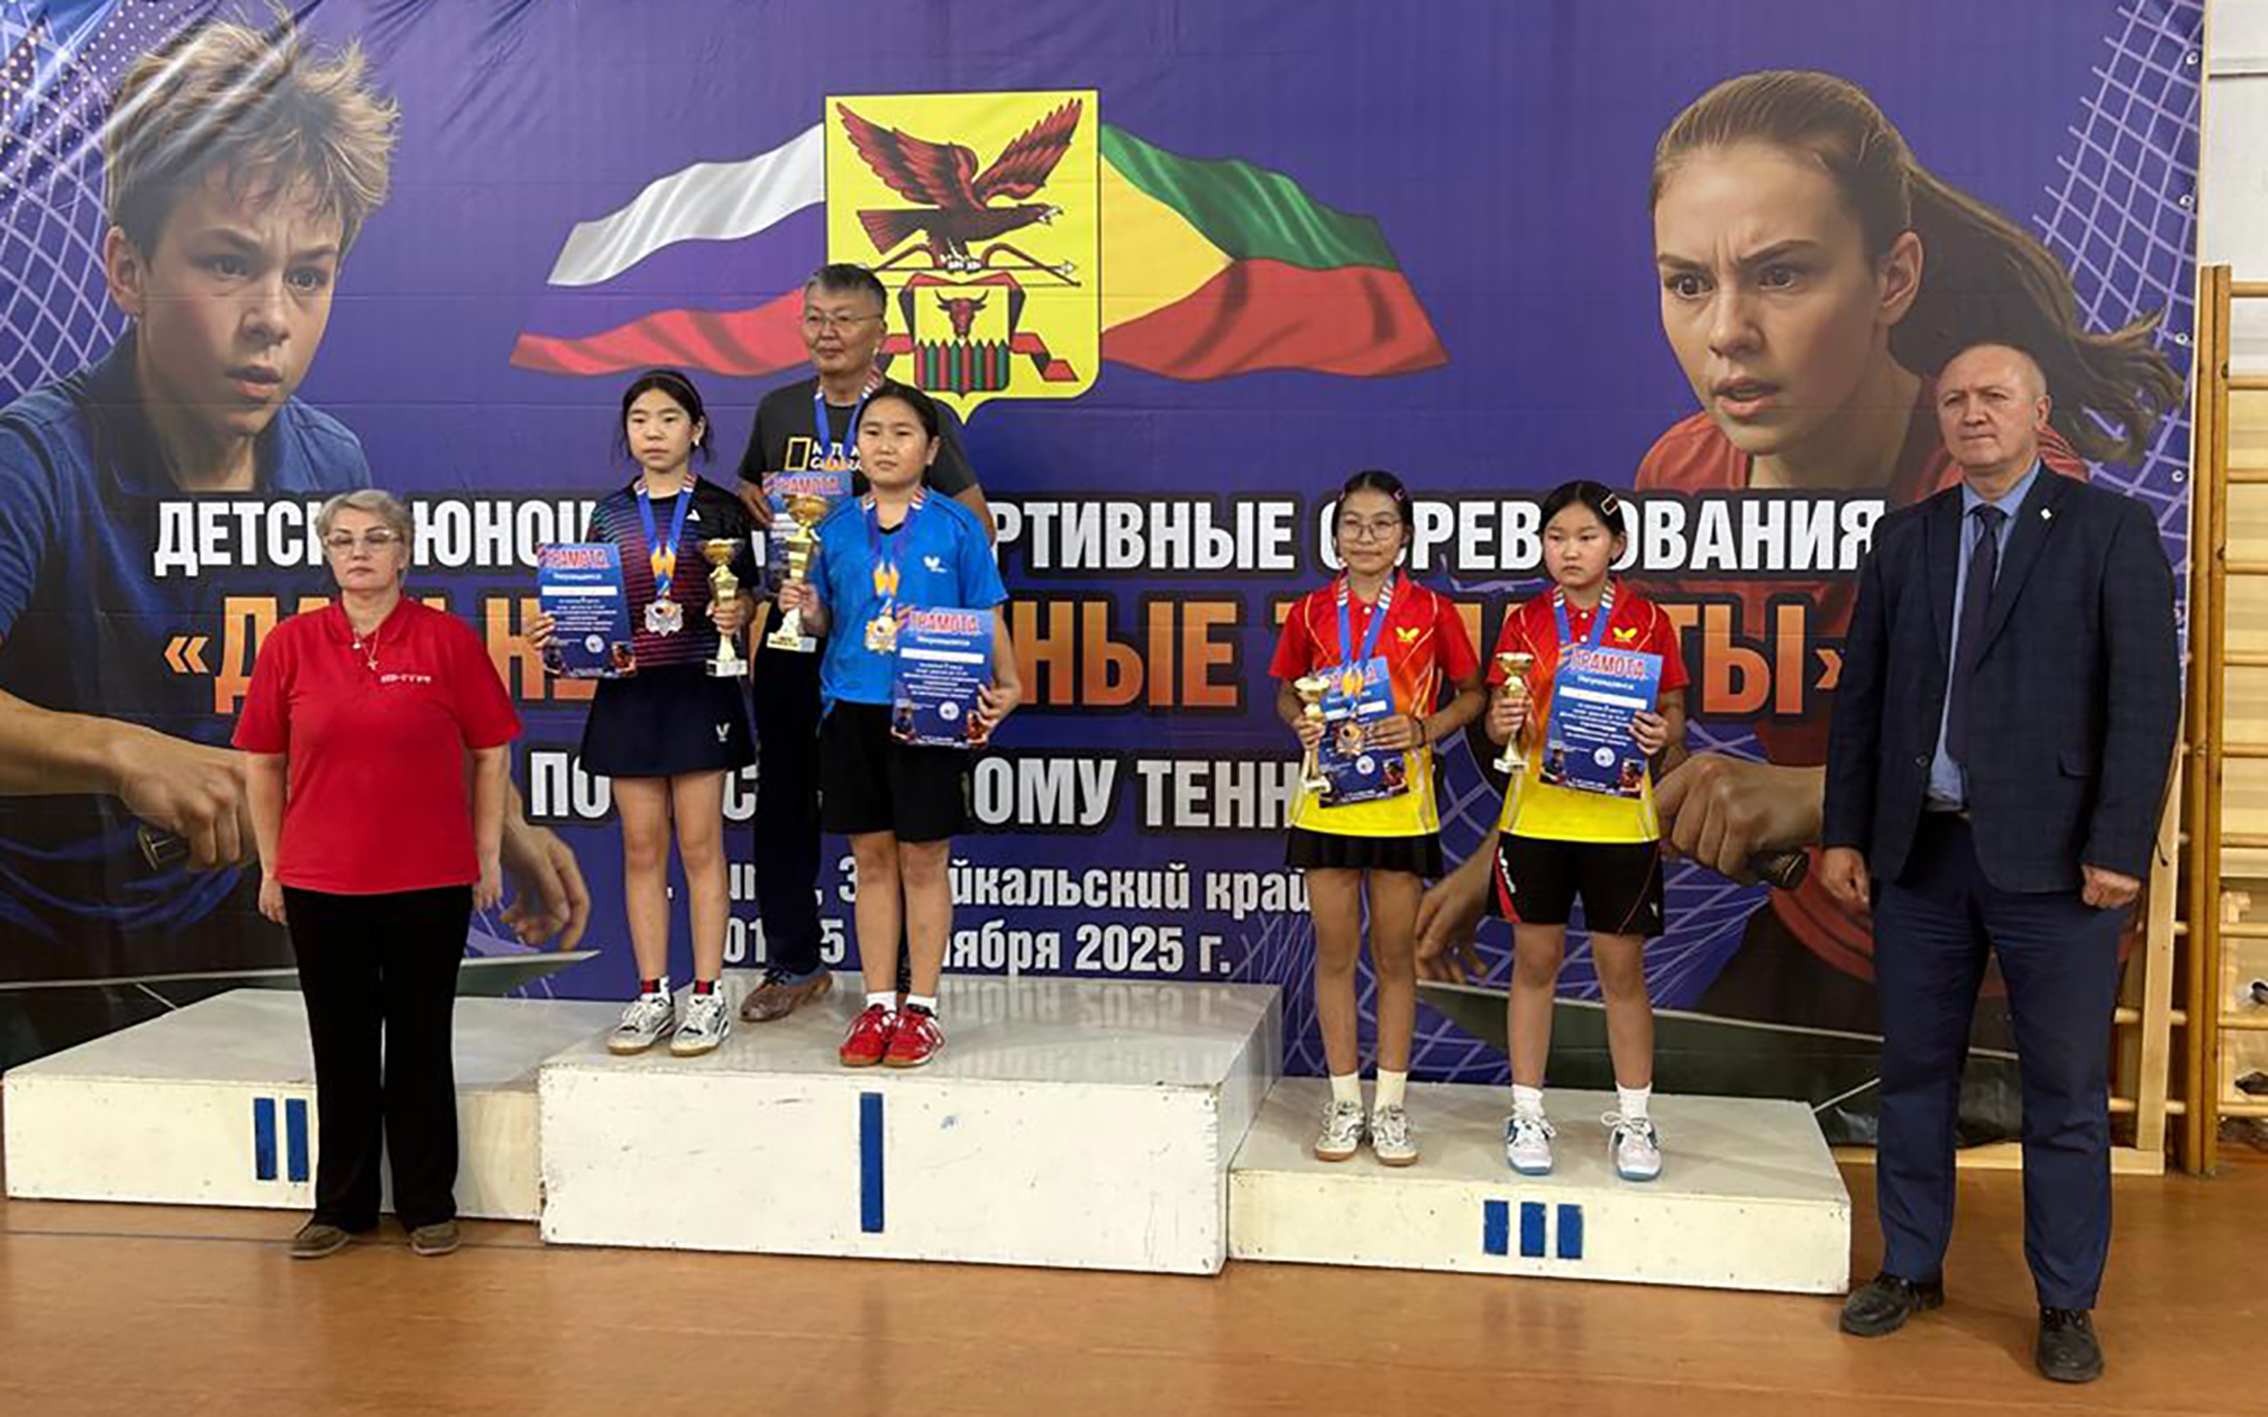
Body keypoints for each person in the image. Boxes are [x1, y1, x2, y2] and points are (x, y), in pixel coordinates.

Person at [1416, 70, 2179, 1057]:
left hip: (2000, 952)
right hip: (1824, 931)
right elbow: (1614, 704)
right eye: (1688, 284)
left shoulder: (1999, 475)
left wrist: (1815, 793)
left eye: (1779, 275)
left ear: (1892, 278)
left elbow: (2053, 732)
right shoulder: (1683, 472)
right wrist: (1507, 850)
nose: (1725, 332)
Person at [0, 19, 588, 1062]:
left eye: (308, 276)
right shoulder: (32, 462)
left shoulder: (329, 462)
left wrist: (483, 807)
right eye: (228, 264)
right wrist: (121, 752)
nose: (272, 317)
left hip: (250, 948)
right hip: (45, 973)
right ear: (127, 269)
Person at [1822, 343, 2178, 1383]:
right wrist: (1845, 831)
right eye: (1956, 399)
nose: (1974, 413)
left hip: (2063, 867)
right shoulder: (1906, 537)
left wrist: (2119, 845)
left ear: (2038, 409)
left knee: (2063, 1091)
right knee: (1915, 1073)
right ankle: (1911, 1266)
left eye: (1995, 396)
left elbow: (2144, 699)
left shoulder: (2110, 529)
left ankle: (2066, 1299)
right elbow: (1863, 698)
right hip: (1920, 856)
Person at [235, 489, 519, 1260]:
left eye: (377, 537)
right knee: (341, 1044)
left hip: (429, 880)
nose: (359, 551)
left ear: (405, 552)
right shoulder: (291, 643)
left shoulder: (448, 641)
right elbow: (262, 761)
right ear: (327, 554)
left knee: (422, 1041)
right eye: (343, 539)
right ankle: (342, 1205)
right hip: (321, 882)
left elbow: (491, 750)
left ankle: (428, 1204)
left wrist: (487, 853)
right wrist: (273, 864)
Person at [731, 263, 993, 1025]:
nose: (827, 332)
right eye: (815, 316)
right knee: (785, 796)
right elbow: (754, 491)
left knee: (901, 815)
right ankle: (794, 960)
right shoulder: (780, 408)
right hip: (796, 631)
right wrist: (763, 512)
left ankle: (906, 979)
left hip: (888, 651)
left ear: (881, 331)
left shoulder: (906, 414)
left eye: (845, 319)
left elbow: (974, 523)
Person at [773, 382, 1017, 1068]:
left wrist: (1011, 682)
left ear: (931, 449)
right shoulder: (832, 529)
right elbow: (827, 622)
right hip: (850, 707)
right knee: (872, 859)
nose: (885, 445)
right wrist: (807, 609)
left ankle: (923, 1009)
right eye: (873, 432)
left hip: (928, 709)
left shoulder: (956, 526)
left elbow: (987, 610)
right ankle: (879, 1003)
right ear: (856, 447)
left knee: (924, 857)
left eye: (902, 433)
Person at [527, 371, 755, 1056]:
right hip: (629, 695)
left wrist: (737, 613)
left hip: (699, 690)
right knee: (641, 847)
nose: (653, 432)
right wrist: (558, 637)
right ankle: (653, 993)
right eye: (639, 420)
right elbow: (591, 612)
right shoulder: (608, 516)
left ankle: (707, 995)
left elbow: (746, 599)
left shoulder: (722, 511)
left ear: (697, 429)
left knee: (700, 845)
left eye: (668, 418)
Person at [1473, 482, 1689, 1181]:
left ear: (1616, 545)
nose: (1570, 551)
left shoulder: (1648, 620)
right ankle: (1527, 1110)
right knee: (1534, 963)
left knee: (1621, 972)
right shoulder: (1524, 623)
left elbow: (1674, 712)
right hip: (1536, 820)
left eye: (1586, 537)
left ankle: (1635, 1118)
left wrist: (1662, 733)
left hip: (1619, 824)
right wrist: (1500, 722)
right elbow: (1497, 720)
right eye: (1556, 537)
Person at [1270, 470, 1481, 1166]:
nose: (1366, 536)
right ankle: (1343, 1102)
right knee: (1335, 954)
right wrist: (1299, 720)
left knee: (1395, 957)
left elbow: (1473, 695)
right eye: (1352, 524)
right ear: (1334, 536)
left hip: (1401, 807)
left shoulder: (1433, 610)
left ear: (1405, 535)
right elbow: (1285, 694)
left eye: (1382, 523)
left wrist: (1424, 729)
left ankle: (1389, 1106)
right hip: (1327, 803)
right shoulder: (1309, 612)